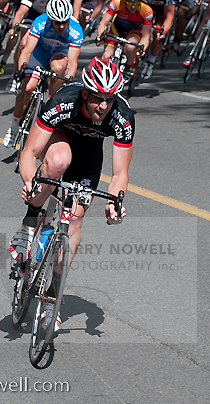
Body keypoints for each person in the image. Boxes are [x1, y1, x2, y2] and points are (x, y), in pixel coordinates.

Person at [9, 56, 134, 330]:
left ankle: (52, 299)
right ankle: (30, 224)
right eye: (98, 98)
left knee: (75, 217)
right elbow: (28, 153)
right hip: (58, 141)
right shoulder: (63, 101)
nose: (104, 106)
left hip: (89, 154)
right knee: (57, 162)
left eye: (110, 99)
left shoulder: (122, 116)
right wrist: (32, 183)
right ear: (85, 92)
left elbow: (119, 174)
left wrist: (115, 202)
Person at [3, 0, 83, 147]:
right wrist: (21, 70)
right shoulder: (40, 22)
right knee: (28, 87)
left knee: (59, 68)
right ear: (50, 18)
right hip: (40, 52)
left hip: (59, 54)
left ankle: (53, 99)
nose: (61, 26)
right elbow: (26, 51)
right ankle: (14, 127)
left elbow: (72, 62)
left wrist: (69, 78)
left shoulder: (75, 30)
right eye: (57, 22)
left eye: (65, 22)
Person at [2, 0, 70, 86]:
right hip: (36, 15)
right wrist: (14, 28)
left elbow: (65, 16)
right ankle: (16, 74)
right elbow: (20, 12)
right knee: (23, 43)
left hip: (54, 19)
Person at [97, 0, 153, 78]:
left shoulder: (146, 10)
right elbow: (103, 23)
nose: (133, 6)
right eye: (129, 3)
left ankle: (128, 66)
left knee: (131, 47)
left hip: (135, 30)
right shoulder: (116, 3)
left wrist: (142, 48)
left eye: (136, 3)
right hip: (117, 27)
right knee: (106, 56)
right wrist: (100, 35)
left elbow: (146, 35)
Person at [141, 0, 175, 79]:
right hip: (144, 10)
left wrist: (163, 31)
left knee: (157, 32)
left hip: (161, 13)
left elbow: (169, 17)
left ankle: (151, 61)